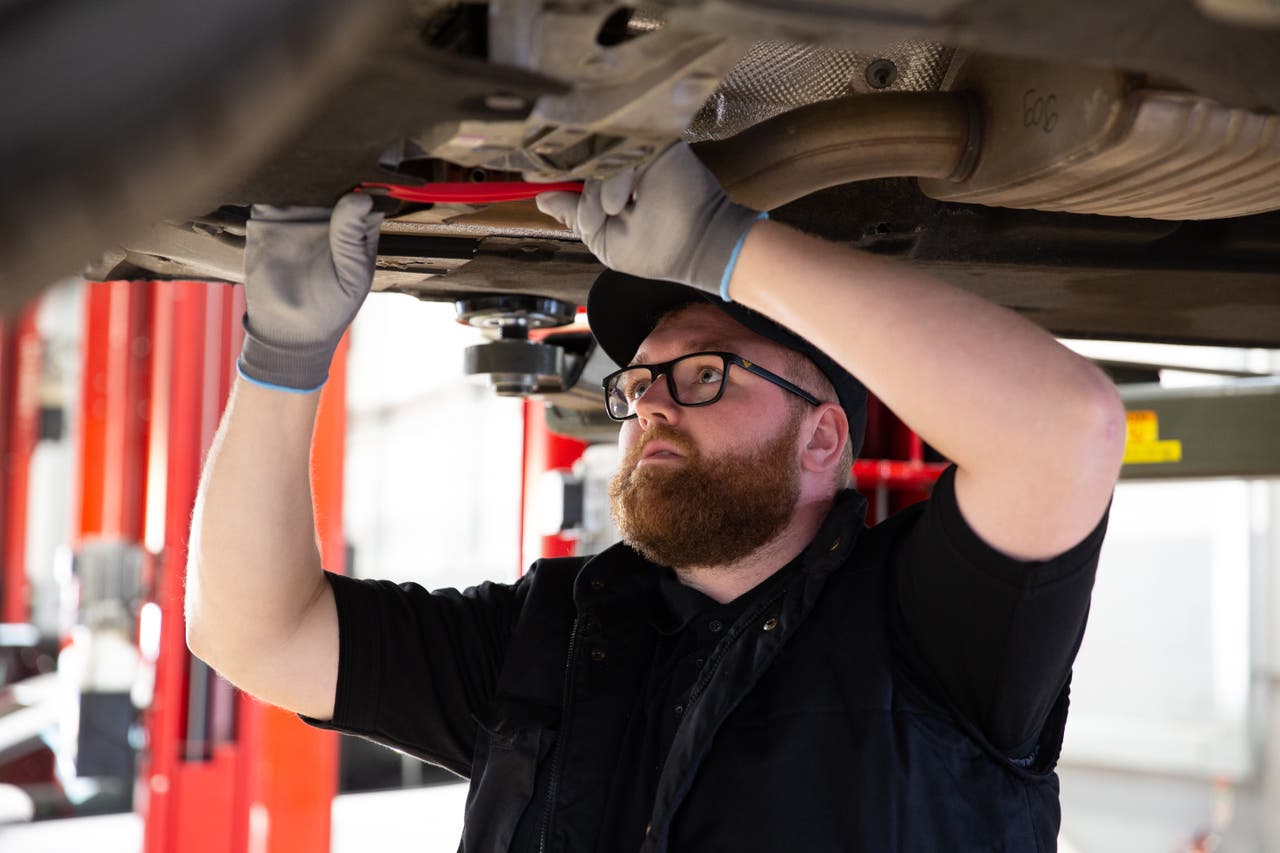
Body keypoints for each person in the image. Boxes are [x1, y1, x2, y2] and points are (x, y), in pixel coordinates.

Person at [186, 143, 1127, 851]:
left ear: (824, 434)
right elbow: (255, 633)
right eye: (636, 386)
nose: (651, 407)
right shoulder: (554, 636)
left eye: (704, 375)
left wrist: (729, 247)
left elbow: (1064, 430)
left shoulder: (925, 626)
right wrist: (284, 359)